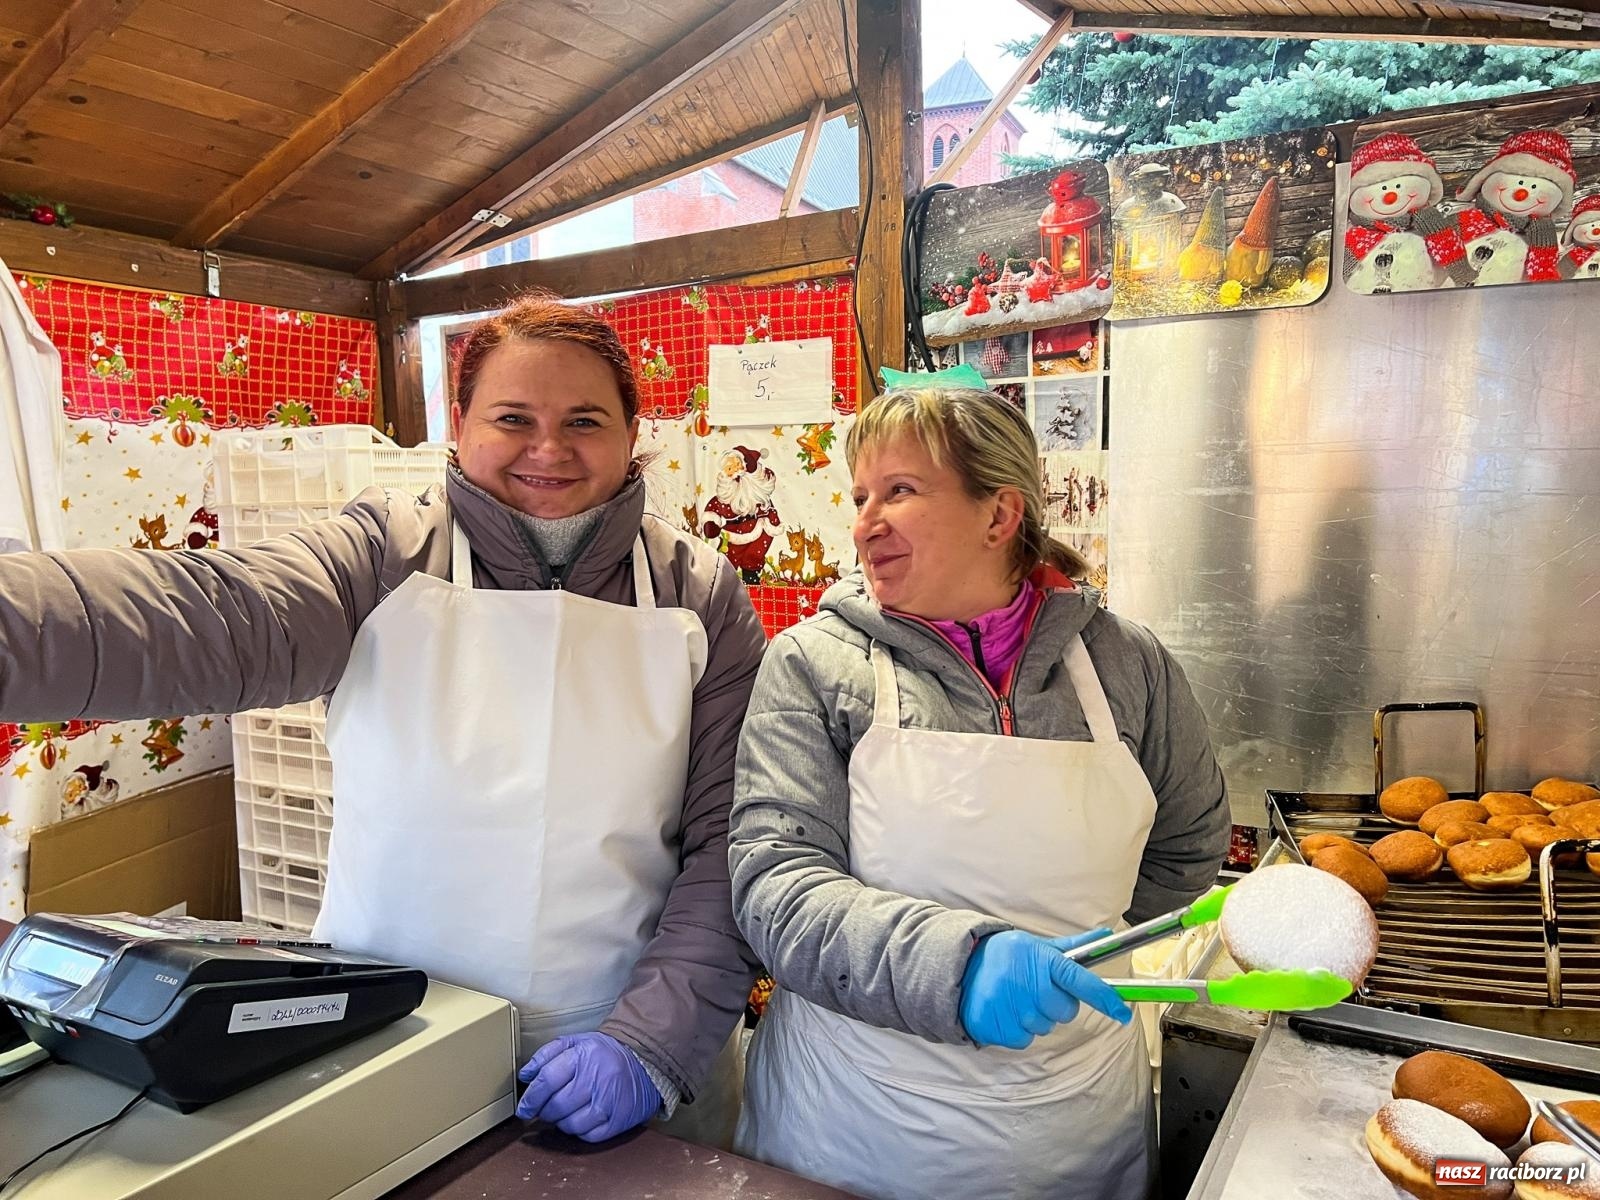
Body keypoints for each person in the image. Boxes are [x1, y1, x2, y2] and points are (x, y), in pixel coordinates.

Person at [0, 291, 766, 1146]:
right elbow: (202, 614)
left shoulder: (700, 593)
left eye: (584, 420)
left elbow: (727, 846)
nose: (548, 448)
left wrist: (650, 1046)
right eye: (512, 417)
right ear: (460, 428)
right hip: (391, 1025)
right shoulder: (383, 554)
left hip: (619, 1042)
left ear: (634, 435)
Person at [728, 384, 1230, 1200]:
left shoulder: (1128, 665)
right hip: (854, 1123)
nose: (865, 524)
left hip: (1073, 1124)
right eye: (860, 496)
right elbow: (776, 887)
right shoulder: (814, 665)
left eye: (900, 491)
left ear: (999, 516)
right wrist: (961, 968)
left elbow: (1187, 847)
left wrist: (1080, 961)